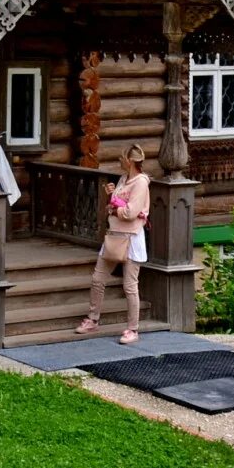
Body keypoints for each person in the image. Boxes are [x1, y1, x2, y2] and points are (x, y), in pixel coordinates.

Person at [75, 144, 150, 345]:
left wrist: (117, 208)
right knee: (98, 278)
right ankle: (93, 319)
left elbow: (130, 213)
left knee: (129, 286)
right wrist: (111, 196)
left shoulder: (141, 182)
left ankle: (133, 329)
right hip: (114, 235)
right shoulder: (123, 179)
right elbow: (113, 206)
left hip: (132, 238)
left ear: (131, 161)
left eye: (123, 158)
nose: (120, 161)